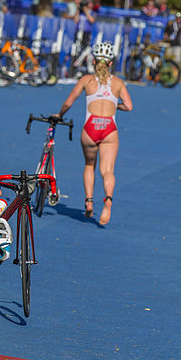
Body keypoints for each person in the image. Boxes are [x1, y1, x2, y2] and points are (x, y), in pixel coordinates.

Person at [53, 42, 133, 225]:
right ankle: (108, 200)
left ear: (94, 61)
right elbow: (129, 106)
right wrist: (114, 106)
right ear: (111, 63)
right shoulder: (118, 83)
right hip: (109, 128)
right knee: (107, 170)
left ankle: (88, 202)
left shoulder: (87, 80)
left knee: (89, 165)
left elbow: (69, 102)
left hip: (90, 128)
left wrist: (60, 114)